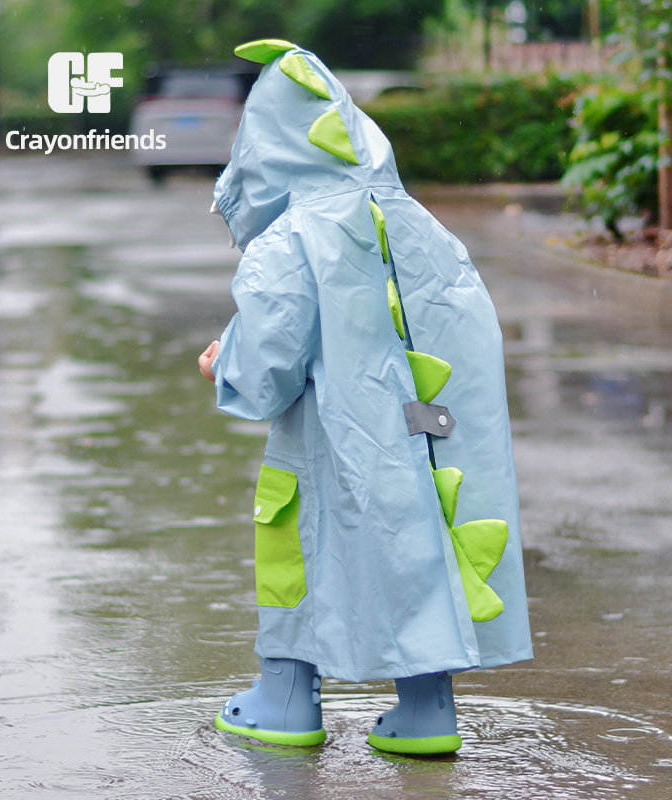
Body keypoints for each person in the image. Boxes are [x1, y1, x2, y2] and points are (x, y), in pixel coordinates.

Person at [198, 38, 532, 755]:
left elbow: (266, 368)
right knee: (425, 535)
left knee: (297, 540)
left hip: (324, 431)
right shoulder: (418, 223)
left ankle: (286, 698)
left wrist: (226, 361)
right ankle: (426, 709)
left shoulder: (291, 236)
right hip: (424, 431)